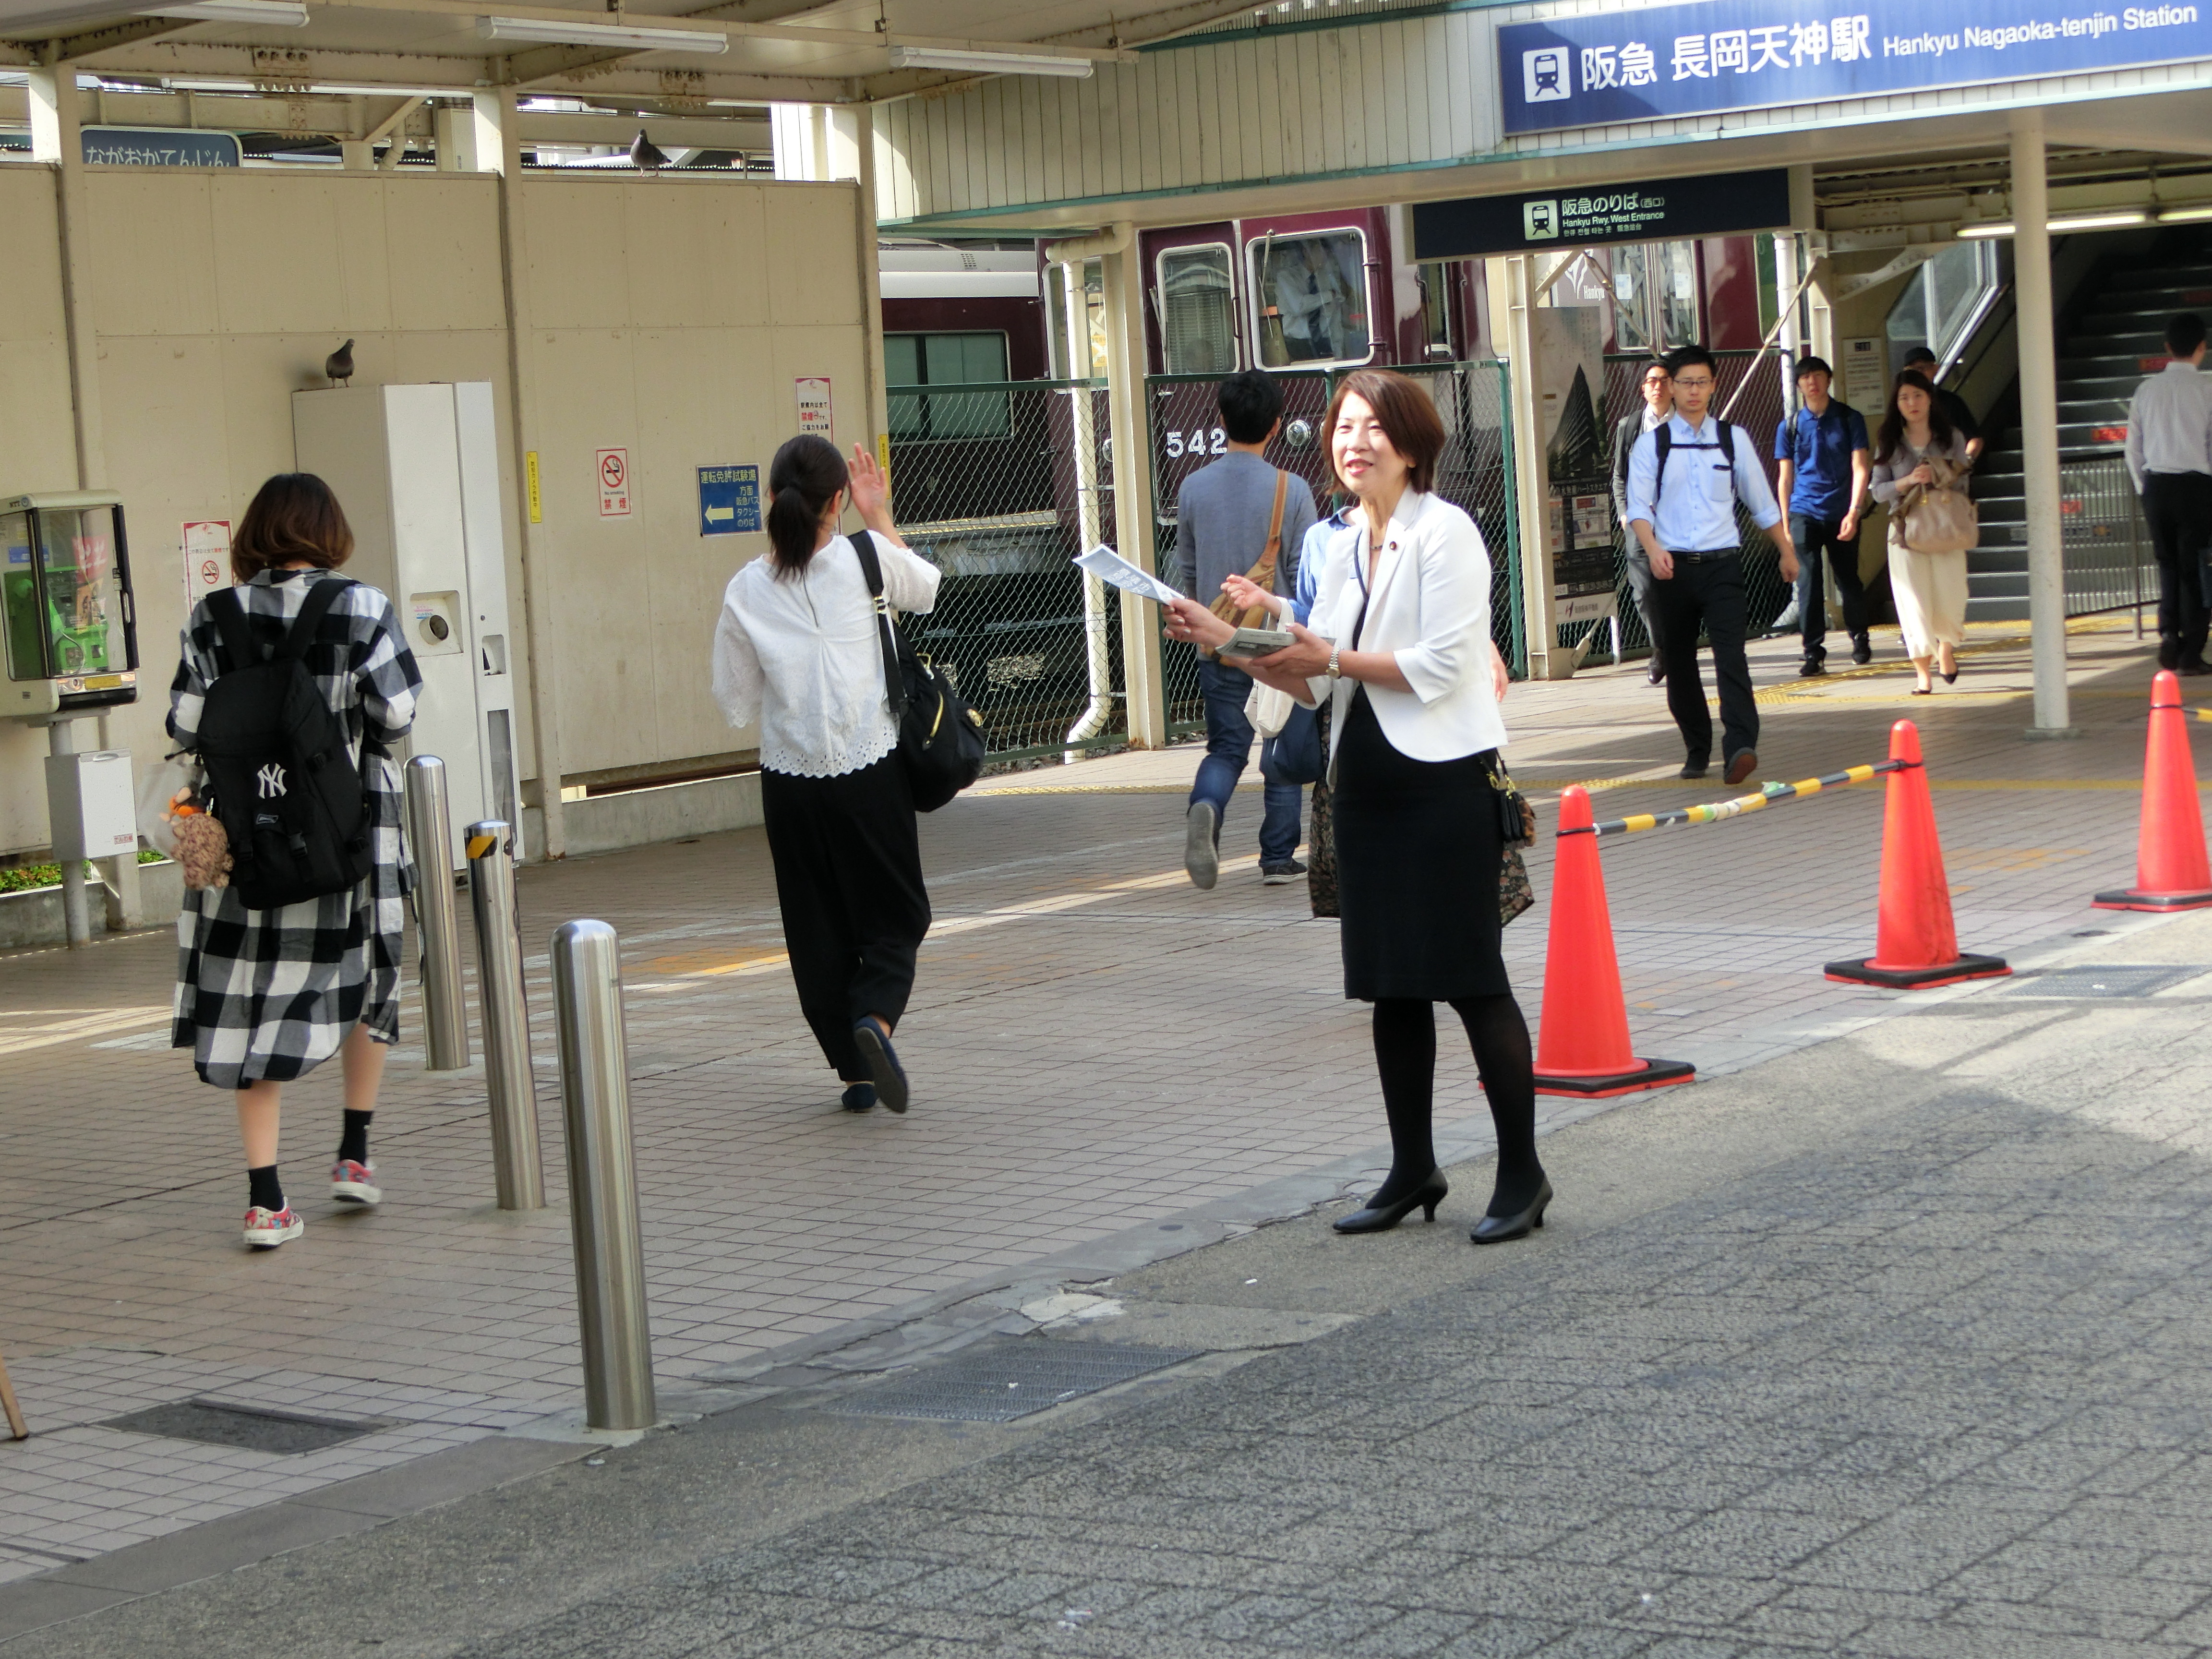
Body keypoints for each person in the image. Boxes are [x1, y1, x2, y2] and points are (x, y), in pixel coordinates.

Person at [1162, 370, 1549, 1246]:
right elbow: (1309, 670)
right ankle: (1412, 1168)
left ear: (1410, 446)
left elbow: (1437, 666)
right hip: (1361, 785)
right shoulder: (1335, 544)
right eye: (1342, 426)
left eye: (1372, 427)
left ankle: (1522, 1174)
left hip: (1443, 783)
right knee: (1389, 988)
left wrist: (1321, 652)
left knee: (1472, 983)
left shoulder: (1445, 533)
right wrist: (1228, 641)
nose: (1353, 441)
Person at [168, 474, 422, 1250]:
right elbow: (398, 712)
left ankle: (266, 1200)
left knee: (253, 1000)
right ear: (330, 532)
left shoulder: (213, 615)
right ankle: (353, 1154)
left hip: (249, 837)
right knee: (365, 980)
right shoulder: (363, 606)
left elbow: (183, 723)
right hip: (351, 831)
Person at [711, 436, 939, 1114]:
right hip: (870, 771)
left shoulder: (745, 588)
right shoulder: (865, 559)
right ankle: (875, 1018)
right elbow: (926, 590)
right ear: (837, 500)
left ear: (770, 503)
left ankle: (854, 1072)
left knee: (816, 927)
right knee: (897, 915)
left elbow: (734, 700)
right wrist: (881, 521)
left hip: (790, 782)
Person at [1625, 345, 1800, 785]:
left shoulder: (1733, 438)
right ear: (1671, 388)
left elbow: (1761, 502)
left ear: (1714, 386)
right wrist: (1654, 548)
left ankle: (1740, 745)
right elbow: (1638, 508)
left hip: (1724, 565)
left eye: (1702, 382)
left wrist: (1786, 549)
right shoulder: (1652, 445)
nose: (1694, 391)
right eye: (1686, 383)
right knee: (1680, 662)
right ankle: (1697, 747)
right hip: (1673, 568)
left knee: (1732, 656)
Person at [1174, 368, 1318, 889]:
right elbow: (1305, 576)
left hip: (1216, 640)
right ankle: (1278, 857)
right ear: (1277, 425)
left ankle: (1207, 806)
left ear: (1220, 421)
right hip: (1275, 641)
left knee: (1226, 748)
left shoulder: (1192, 487)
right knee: (1278, 744)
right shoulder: (1293, 489)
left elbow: (1187, 572)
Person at [1226, 495, 1355, 915]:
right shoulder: (1324, 537)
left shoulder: (1433, 527)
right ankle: (1279, 855)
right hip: (1334, 704)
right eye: (1344, 428)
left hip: (1391, 714)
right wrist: (1268, 603)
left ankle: (1278, 853)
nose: (1355, 443)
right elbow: (1312, 618)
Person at [1868, 371, 1972, 695]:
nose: (1911, 403)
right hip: (1905, 531)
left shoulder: (1951, 437)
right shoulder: (1889, 441)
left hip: (1945, 527)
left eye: (1917, 396)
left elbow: (1964, 482)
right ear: (1896, 404)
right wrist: (1909, 480)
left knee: (1952, 594)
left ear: (1930, 398)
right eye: (1904, 398)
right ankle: (1923, 675)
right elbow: (1877, 491)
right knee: (1913, 602)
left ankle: (1946, 646)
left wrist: (1938, 474)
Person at [2124, 312, 2212, 674]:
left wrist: (2144, 487)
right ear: (2202, 348)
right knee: (2196, 567)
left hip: (2156, 486)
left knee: (2167, 564)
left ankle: (2168, 634)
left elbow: (2133, 447)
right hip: (2196, 487)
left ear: (2167, 348)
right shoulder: (2208, 388)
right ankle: (2193, 650)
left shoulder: (2146, 389)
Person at [1774, 354, 1873, 677]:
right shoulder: (1788, 427)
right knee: (1808, 582)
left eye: (1817, 376)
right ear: (1799, 384)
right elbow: (1785, 479)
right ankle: (1813, 652)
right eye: (1805, 378)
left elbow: (1861, 468)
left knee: (1849, 580)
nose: (1811, 383)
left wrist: (1854, 511)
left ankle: (1859, 636)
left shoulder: (1849, 419)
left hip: (1842, 511)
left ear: (1829, 380)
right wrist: (1786, 526)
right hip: (1804, 511)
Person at [1611, 358, 1673, 685]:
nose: (1658, 386)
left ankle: (1677, 649)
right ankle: (1660, 649)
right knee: (1644, 591)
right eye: (1652, 381)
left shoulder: (1689, 425)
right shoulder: (1630, 426)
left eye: (1664, 380)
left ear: (1673, 387)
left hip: (1677, 522)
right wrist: (1624, 512)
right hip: (1640, 521)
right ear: (1644, 389)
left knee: (1677, 589)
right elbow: (1619, 475)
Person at [1898, 346, 1984, 463]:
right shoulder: (1899, 405)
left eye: (1923, 368)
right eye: (1913, 370)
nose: (1918, 374)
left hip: (1947, 474)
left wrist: (1962, 465)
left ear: (1936, 369)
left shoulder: (1952, 402)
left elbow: (1975, 439)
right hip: (1908, 473)